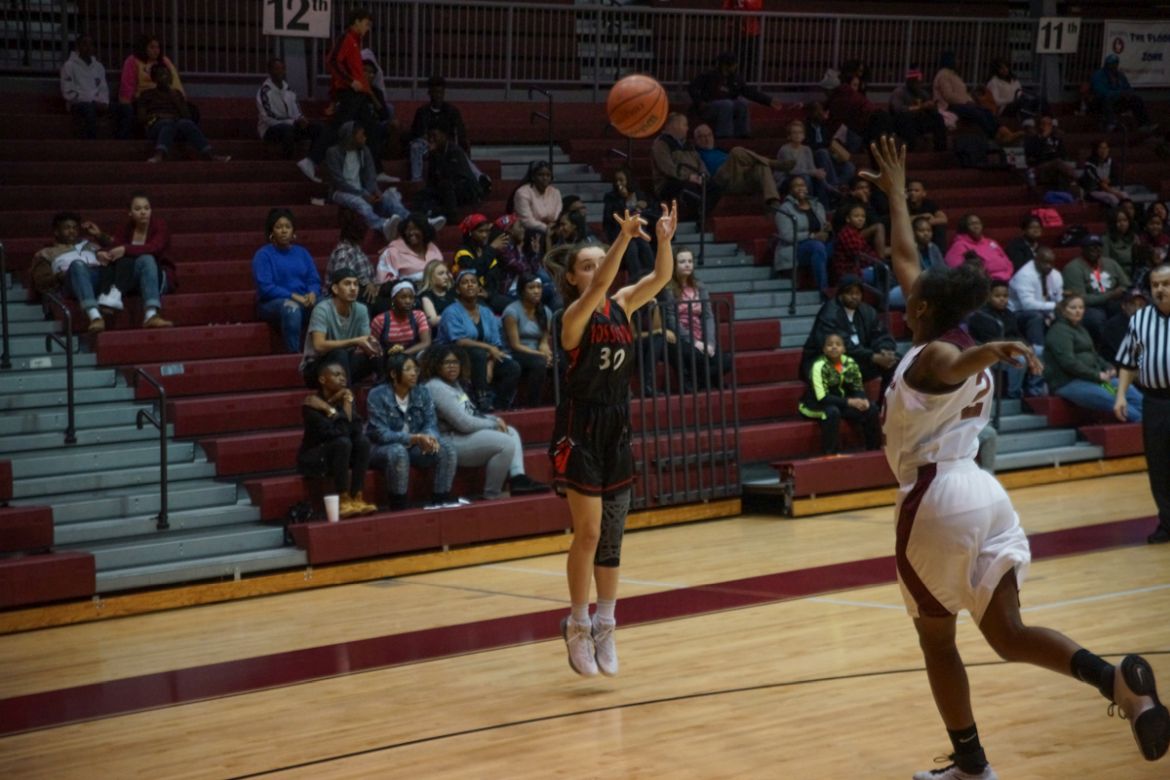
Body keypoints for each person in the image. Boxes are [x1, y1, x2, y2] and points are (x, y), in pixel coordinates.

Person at [862, 134, 1168, 779]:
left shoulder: (936, 353)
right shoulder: (943, 324)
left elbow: (953, 362)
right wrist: (896, 195)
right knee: (1007, 634)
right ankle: (1118, 683)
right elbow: (907, 257)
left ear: (921, 308)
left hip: (935, 499)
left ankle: (971, 766)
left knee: (937, 640)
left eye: (910, 296)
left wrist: (992, 351)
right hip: (985, 494)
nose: (903, 294)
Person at [545, 199, 679, 679]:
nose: (596, 269)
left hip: (617, 426)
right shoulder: (573, 317)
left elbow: (661, 278)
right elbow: (602, 283)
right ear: (572, 278)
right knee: (588, 532)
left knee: (613, 535)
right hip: (580, 428)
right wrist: (623, 237)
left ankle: (606, 623)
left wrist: (662, 240)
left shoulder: (623, 305)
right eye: (587, 265)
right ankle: (577, 623)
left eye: (599, 261)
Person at [424, 347, 550, 499]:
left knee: (510, 431)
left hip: (462, 435)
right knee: (506, 443)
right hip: (448, 441)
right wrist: (493, 424)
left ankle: (518, 478)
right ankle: (492, 494)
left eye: (455, 362)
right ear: (437, 365)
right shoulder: (436, 387)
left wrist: (494, 420)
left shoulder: (455, 385)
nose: (453, 366)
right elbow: (464, 423)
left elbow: (472, 414)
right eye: (447, 363)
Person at [1115, 263, 1170, 544]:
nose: (1160, 289)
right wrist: (1120, 395)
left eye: (1166, 284)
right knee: (1159, 464)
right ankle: (1167, 523)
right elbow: (1127, 362)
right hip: (1155, 400)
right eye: (1155, 285)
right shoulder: (1139, 319)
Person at [365, 352, 460, 511]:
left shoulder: (422, 392)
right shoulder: (377, 395)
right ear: (393, 374)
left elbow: (431, 423)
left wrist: (429, 438)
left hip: (415, 446)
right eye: (408, 369)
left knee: (446, 449)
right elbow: (381, 434)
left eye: (416, 369)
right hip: (382, 449)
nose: (414, 373)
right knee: (398, 451)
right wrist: (415, 438)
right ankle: (399, 505)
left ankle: (441, 501)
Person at [297, 361, 376, 519]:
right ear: (322, 379)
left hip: (339, 453)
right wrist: (332, 411)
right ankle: (343, 499)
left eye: (344, 375)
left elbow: (356, 429)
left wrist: (342, 407)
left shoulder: (345, 398)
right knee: (343, 442)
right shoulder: (311, 403)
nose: (342, 378)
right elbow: (335, 433)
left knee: (363, 442)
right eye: (337, 375)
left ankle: (357, 496)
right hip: (316, 456)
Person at [1044, 294, 1142, 422]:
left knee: (1127, 390)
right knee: (1111, 397)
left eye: (1081, 307)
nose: (1078, 311)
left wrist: (1108, 367)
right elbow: (1068, 363)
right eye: (1073, 308)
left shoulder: (1081, 329)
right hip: (1069, 382)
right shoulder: (1059, 331)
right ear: (1063, 310)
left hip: (1093, 380)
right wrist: (1097, 375)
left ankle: (1155, 422)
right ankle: (1144, 423)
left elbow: (1094, 355)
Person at [83, 191, 174, 328]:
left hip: (156, 276)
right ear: (130, 213)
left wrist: (125, 249)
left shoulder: (159, 226)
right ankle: (110, 296)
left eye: (147, 208)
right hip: (131, 277)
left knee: (146, 258)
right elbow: (115, 247)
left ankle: (151, 314)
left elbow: (154, 247)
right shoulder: (126, 227)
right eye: (138, 209)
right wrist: (101, 252)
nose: (143, 212)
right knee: (114, 262)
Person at [435, 269, 520, 411]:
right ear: (457, 290)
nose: (470, 285)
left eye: (473, 282)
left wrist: (490, 366)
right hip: (454, 355)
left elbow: (495, 344)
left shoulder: (487, 312)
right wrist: (488, 349)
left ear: (479, 288)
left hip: (484, 357)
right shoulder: (451, 312)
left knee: (512, 367)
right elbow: (459, 341)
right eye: (465, 283)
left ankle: (501, 405)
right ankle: (483, 399)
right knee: (478, 353)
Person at [801, 273, 898, 384]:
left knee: (895, 362)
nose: (854, 297)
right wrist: (873, 357)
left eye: (857, 293)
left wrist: (884, 351)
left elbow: (881, 334)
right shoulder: (830, 313)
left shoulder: (868, 311)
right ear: (840, 294)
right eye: (850, 293)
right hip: (826, 361)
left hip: (859, 358)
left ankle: (886, 395)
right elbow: (840, 346)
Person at [659, 247, 732, 392]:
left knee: (726, 361)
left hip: (700, 334)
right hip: (680, 337)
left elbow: (708, 316)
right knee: (698, 356)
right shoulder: (668, 289)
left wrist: (710, 342)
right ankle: (707, 380)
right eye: (682, 262)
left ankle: (699, 381)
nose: (687, 265)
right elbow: (671, 320)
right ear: (674, 265)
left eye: (690, 261)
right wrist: (694, 342)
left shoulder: (700, 286)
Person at [799, 332, 880, 454]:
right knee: (832, 412)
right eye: (830, 345)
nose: (834, 347)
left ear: (844, 349)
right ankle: (831, 454)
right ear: (824, 350)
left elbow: (857, 387)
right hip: (815, 405)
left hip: (841, 403)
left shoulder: (850, 363)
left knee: (871, 408)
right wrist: (849, 402)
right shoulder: (819, 366)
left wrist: (862, 400)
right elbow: (822, 397)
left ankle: (873, 450)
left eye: (838, 344)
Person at [253, 208, 321, 353]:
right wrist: (293, 296)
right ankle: (294, 356)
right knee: (292, 308)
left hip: (303, 299)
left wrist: (312, 293)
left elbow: (313, 279)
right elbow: (266, 288)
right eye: (279, 227)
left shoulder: (302, 252)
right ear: (272, 231)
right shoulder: (263, 255)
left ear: (293, 231)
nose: (284, 231)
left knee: (328, 303)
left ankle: (327, 351)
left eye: (287, 227)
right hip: (272, 303)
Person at [325, 121, 407, 241]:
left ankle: (412, 221)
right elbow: (339, 182)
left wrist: (375, 191)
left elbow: (370, 175)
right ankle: (382, 225)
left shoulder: (364, 151)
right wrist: (363, 195)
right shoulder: (333, 152)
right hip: (340, 191)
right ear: (351, 137)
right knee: (359, 203)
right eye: (361, 135)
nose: (365, 137)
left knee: (390, 197)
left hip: (362, 189)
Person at [301, 267, 380, 387]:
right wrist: (355, 341)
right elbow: (319, 346)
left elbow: (366, 341)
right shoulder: (322, 309)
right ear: (335, 289)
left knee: (380, 353)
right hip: (316, 367)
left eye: (356, 284)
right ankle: (346, 394)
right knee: (339, 353)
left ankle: (384, 391)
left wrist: (373, 346)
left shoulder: (362, 309)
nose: (353, 288)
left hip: (345, 362)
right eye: (347, 284)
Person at [31, 211, 106, 332]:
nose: (72, 231)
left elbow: (116, 248)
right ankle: (94, 316)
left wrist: (99, 235)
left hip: (98, 278)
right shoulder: (46, 253)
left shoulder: (92, 246)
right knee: (77, 265)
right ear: (56, 231)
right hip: (70, 283)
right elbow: (41, 282)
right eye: (67, 228)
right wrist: (60, 276)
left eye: (75, 228)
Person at [139, 64, 228, 163]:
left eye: (168, 74)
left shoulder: (176, 94)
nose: (166, 77)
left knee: (186, 123)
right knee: (167, 123)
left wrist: (176, 100)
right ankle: (159, 154)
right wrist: (159, 116)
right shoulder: (147, 94)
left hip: (176, 124)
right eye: (162, 74)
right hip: (156, 126)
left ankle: (209, 154)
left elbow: (187, 116)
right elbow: (141, 118)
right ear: (154, 79)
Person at [692, 123, 788, 213]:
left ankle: (773, 202)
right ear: (696, 140)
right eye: (703, 136)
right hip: (720, 180)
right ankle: (771, 163)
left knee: (762, 166)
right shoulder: (696, 154)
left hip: (737, 177)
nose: (707, 139)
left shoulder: (720, 150)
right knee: (736, 151)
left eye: (709, 135)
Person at [687, 51, 784, 139]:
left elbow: (749, 92)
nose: (736, 66)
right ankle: (724, 135)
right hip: (708, 107)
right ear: (725, 65)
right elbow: (692, 88)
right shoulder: (708, 75)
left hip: (727, 107)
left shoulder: (735, 79)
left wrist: (769, 100)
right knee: (727, 104)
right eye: (734, 64)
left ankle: (742, 133)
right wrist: (699, 102)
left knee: (742, 103)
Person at [932, 51, 1019, 145]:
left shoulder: (953, 74)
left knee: (986, 111)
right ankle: (995, 136)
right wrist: (966, 102)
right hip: (949, 106)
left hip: (961, 104)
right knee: (978, 113)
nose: (959, 61)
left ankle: (1005, 132)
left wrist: (970, 100)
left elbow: (963, 93)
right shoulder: (943, 75)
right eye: (957, 59)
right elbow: (948, 96)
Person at [651, 113, 722, 225]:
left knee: (715, 188)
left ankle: (699, 217)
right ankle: (696, 219)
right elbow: (667, 168)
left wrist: (703, 175)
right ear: (675, 125)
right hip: (669, 183)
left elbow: (700, 162)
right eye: (685, 125)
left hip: (694, 179)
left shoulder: (688, 144)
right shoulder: (661, 143)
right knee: (689, 190)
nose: (687, 128)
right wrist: (688, 177)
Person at [1061, 234, 1130, 344]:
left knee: (1129, 309)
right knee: (1096, 318)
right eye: (1090, 247)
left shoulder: (1111, 263)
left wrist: (1121, 290)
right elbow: (1081, 299)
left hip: (1113, 302)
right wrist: (1110, 295)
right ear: (1083, 249)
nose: (1095, 249)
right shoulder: (1073, 268)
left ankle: (1131, 343)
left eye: (1098, 247)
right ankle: (1107, 347)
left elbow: (1126, 284)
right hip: (1089, 307)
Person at [408, 76, 474, 184]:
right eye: (435, 92)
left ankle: (475, 177)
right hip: (427, 145)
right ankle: (416, 179)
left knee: (459, 151)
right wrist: (430, 140)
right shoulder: (422, 112)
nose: (438, 95)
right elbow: (416, 134)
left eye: (441, 92)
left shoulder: (452, 111)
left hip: (446, 145)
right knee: (415, 146)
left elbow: (460, 133)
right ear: (429, 93)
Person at [967, 280, 1026, 399]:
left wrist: (1025, 346)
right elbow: (988, 340)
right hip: (987, 353)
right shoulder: (981, 315)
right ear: (988, 296)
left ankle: (1030, 392)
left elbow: (1016, 334)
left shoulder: (1009, 314)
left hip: (1007, 350)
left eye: (1005, 296)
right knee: (1020, 359)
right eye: (997, 296)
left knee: (1033, 353)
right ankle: (1013, 395)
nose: (1002, 299)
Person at [116, 33, 182, 138]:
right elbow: (127, 85)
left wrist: (180, 98)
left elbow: (175, 82)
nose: (156, 51)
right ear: (143, 48)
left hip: (164, 98)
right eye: (152, 47)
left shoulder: (164, 61)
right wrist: (126, 101)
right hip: (143, 100)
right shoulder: (132, 61)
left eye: (157, 47)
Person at [502, 273, 553, 408]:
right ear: (522, 291)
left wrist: (546, 352)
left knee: (560, 361)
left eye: (539, 287)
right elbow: (515, 345)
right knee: (539, 363)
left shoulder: (545, 311)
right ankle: (533, 406)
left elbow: (544, 339)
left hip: (536, 352)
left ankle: (558, 402)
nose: (536, 291)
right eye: (531, 287)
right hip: (516, 353)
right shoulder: (511, 311)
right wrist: (541, 355)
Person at [257, 57, 324, 160]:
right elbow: (268, 118)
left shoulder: (289, 90)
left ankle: (311, 160)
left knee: (318, 128)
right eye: (276, 69)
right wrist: (293, 122)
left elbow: (297, 113)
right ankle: (287, 162)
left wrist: (302, 119)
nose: (280, 72)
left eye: (282, 69)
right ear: (270, 71)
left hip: (291, 126)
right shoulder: (264, 91)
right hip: (270, 130)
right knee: (288, 130)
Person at [774, 175, 830, 294]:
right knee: (817, 247)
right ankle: (824, 290)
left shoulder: (817, 205)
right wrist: (812, 236)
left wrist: (827, 230)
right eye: (796, 186)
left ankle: (846, 287)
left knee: (839, 245)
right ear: (790, 190)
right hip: (796, 248)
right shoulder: (785, 209)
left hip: (817, 244)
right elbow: (787, 235)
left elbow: (822, 228)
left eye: (803, 185)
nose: (800, 188)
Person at [414, 123, 481, 221]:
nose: (431, 139)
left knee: (446, 186)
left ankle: (451, 217)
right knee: (421, 194)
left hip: (465, 188)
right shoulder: (433, 153)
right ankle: (427, 216)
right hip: (445, 189)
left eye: (434, 136)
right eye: (429, 136)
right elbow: (431, 180)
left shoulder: (455, 151)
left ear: (443, 136)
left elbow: (454, 176)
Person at [324, 207, 383, 313]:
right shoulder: (344, 252)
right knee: (380, 304)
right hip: (346, 295)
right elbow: (342, 280)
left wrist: (374, 286)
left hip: (364, 292)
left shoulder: (357, 250)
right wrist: (366, 283)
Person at [602, 166, 657, 281]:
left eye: (621, 180)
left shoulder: (640, 195)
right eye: (616, 180)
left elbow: (651, 212)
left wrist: (643, 207)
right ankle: (636, 281)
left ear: (628, 180)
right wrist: (624, 199)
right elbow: (611, 218)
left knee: (644, 245)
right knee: (632, 247)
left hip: (640, 230)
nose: (618, 183)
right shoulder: (611, 197)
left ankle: (654, 279)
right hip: (621, 232)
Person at [452, 214, 510, 314]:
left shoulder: (485, 250)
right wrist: (491, 249)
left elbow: (495, 277)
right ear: (470, 233)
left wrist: (489, 294)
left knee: (515, 307)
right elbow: (475, 271)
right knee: (487, 313)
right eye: (480, 231)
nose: (484, 235)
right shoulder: (462, 252)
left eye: (487, 231)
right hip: (470, 297)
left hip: (488, 295)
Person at [889, 215, 945, 309]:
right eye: (921, 231)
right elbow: (912, 276)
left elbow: (943, 270)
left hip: (928, 287)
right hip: (902, 288)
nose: (926, 234)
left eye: (929, 230)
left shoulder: (933, 248)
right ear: (913, 233)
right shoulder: (907, 249)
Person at [888, 66, 948, 153]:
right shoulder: (899, 92)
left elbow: (931, 110)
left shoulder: (922, 93)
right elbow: (898, 110)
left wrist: (932, 107)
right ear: (908, 81)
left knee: (938, 118)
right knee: (905, 118)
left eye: (918, 81)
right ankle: (911, 150)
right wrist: (921, 107)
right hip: (902, 123)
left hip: (918, 121)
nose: (917, 84)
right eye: (914, 81)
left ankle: (941, 150)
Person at [60, 34, 109, 139]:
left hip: (97, 103)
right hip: (77, 104)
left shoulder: (99, 66)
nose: (88, 47)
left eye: (91, 45)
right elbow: (68, 92)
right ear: (78, 47)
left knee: (124, 109)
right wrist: (91, 101)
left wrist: (104, 102)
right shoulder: (69, 66)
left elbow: (103, 88)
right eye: (84, 44)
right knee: (89, 109)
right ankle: (91, 144)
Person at [1091, 54, 1156, 132]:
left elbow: (1128, 88)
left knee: (1136, 99)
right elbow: (1101, 92)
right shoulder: (1098, 75)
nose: (1114, 66)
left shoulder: (1120, 75)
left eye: (1115, 63)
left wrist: (1128, 94)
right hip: (1101, 102)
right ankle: (1111, 124)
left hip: (1118, 101)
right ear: (1106, 64)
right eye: (1111, 64)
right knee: (1106, 99)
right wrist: (1119, 93)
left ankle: (1143, 125)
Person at [377, 212, 444, 286]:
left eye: (416, 229)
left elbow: (442, 272)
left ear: (424, 230)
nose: (411, 232)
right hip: (407, 292)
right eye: (408, 229)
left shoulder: (433, 248)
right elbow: (385, 282)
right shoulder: (392, 251)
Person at [370, 280, 430, 359]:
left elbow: (426, 343)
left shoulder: (419, 316)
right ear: (393, 300)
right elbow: (373, 346)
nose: (408, 301)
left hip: (411, 356)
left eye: (411, 297)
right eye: (403, 297)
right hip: (386, 358)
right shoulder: (380, 320)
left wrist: (402, 355)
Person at [776, 120, 832, 206]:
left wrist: (818, 173)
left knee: (817, 178)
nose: (797, 135)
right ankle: (808, 205)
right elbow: (792, 170)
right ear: (789, 136)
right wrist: (812, 172)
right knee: (806, 178)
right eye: (794, 133)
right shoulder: (785, 150)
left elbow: (811, 168)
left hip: (804, 176)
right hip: (786, 179)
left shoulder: (807, 149)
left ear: (804, 136)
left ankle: (824, 207)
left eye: (800, 132)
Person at [804, 101, 856, 192]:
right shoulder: (806, 128)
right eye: (817, 112)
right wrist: (825, 146)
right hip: (814, 158)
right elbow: (809, 146)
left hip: (829, 157)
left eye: (820, 112)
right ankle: (835, 185)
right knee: (822, 152)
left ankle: (837, 185)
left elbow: (830, 142)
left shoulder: (825, 127)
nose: (819, 114)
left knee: (850, 167)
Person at [1024, 116, 1080, 198]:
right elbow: (1034, 155)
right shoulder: (1033, 139)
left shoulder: (1056, 139)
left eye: (1049, 124)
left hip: (1054, 166)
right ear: (1039, 126)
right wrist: (1043, 139)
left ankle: (1066, 195)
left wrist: (1053, 152)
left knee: (1060, 167)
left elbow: (1063, 154)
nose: (1045, 126)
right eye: (1043, 124)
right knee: (1057, 162)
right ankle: (1078, 178)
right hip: (1039, 166)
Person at [945, 214, 1013, 281]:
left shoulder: (991, 242)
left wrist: (1008, 275)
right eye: (972, 224)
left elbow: (1007, 261)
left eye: (978, 223)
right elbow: (958, 270)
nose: (976, 226)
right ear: (964, 227)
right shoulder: (959, 245)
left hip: (1007, 278)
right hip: (983, 282)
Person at [831, 202, 885, 287]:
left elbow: (867, 251)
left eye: (863, 216)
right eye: (856, 216)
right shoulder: (847, 233)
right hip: (849, 273)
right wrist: (878, 261)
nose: (860, 219)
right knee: (883, 272)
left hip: (858, 269)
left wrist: (878, 261)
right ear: (848, 219)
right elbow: (860, 257)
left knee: (884, 269)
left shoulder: (855, 232)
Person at [513, 161, 562, 235]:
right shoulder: (522, 193)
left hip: (553, 230)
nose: (545, 178)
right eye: (541, 175)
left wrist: (553, 227)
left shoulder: (555, 192)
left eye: (548, 175)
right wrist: (547, 228)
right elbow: (527, 221)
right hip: (528, 232)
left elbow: (557, 216)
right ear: (533, 177)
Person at [1081, 140, 1128, 209]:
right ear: (1096, 150)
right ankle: (1117, 214)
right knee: (1112, 198)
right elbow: (1099, 183)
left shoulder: (1111, 162)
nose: (1104, 151)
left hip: (1108, 188)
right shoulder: (1089, 164)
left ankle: (1125, 214)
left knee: (1125, 195)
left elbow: (1115, 178)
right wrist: (1115, 193)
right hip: (1093, 191)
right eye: (1101, 148)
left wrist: (1109, 180)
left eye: (1106, 148)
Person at [907, 179, 948, 252]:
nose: (912, 193)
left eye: (916, 191)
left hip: (923, 231)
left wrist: (925, 223)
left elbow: (943, 219)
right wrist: (922, 217)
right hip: (909, 231)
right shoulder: (904, 204)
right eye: (910, 190)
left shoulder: (929, 204)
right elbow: (901, 221)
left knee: (940, 227)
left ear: (924, 193)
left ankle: (940, 253)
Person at [418, 259, 456, 327]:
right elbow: (433, 321)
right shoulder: (426, 296)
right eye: (441, 274)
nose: (446, 277)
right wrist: (456, 315)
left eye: (446, 273)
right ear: (430, 276)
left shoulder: (451, 291)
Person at [1103, 207, 1139, 278]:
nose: (1122, 224)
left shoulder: (1134, 237)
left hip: (1134, 272)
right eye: (1118, 221)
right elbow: (1106, 263)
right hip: (1116, 273)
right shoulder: (1106, 239)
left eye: (1125, 220)